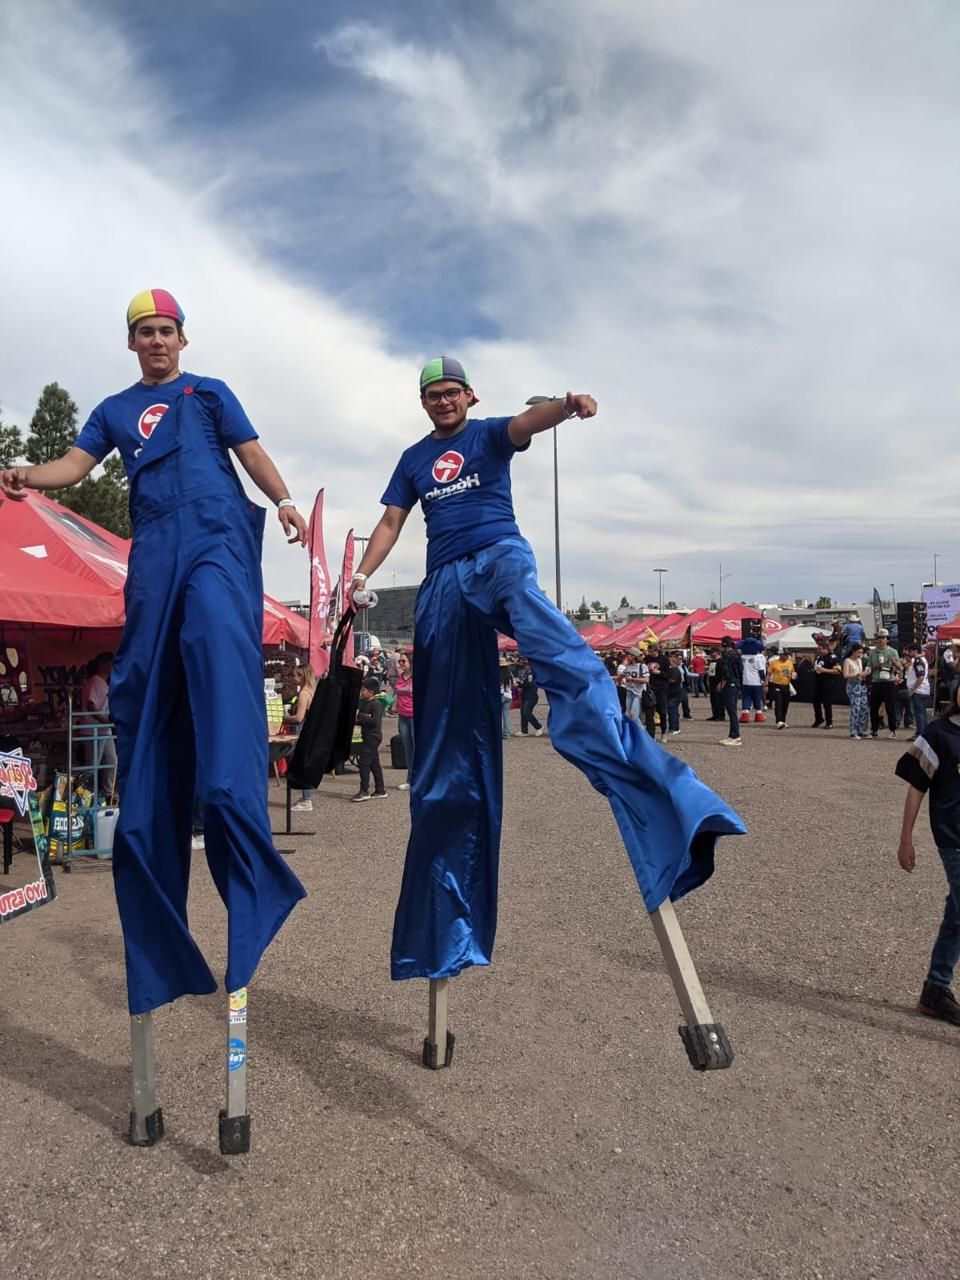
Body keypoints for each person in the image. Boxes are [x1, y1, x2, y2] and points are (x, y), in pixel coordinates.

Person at [349, 356, 745, 983]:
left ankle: (607, 739)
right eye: (432, 396)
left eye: (451, 393)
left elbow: (525, 424)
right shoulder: (413, 458)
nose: (442, 402)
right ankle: (448, 892)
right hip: (445, 579)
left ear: (469, 396)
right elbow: (392, 521)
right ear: (423, 404)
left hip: (498, 555)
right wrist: (364, 573)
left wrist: (566, 406)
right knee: (447, 730)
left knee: (554, 643)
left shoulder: (486, 434)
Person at [0, 288, 307, 1015]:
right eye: (145, 332)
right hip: (154, 547)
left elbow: (252, 451)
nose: (157, 341)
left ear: (182, 339)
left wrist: (286, 499)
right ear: (132, 343)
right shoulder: (112, 409)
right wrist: (23, 475)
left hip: (215, 536)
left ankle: (228, 777)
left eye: (167, 330)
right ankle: (165, 789)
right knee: (143, 676)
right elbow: (74, 466)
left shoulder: (208, 394)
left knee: (209, 631)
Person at [894, 694, 960, 1027]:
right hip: (955, 839)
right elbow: (916, 787)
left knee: (957, 917)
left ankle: (935, 990)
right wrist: (906, 838)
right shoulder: (939, 734)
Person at [80, 651, 117, 799]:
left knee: (111, 761)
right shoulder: (95, 682)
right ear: (103, 664)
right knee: (92, 766)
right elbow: (91, 705)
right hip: (93, 730)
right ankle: (83, 795)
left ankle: (108, 793)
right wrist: (104, 721)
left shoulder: (102, 683)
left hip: (103, 730)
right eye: (110, 663)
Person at [285, 664, 317, 811]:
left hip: (303, 729)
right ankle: (306, 796)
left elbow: (299, 718)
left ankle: (306, 799)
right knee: (308, 763)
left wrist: (285, 717)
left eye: (296, 675)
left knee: (302, 762)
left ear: (302, 676)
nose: (293, 678)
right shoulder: (314, 690)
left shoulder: (304, 693)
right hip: (312, 728)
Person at [354, 677, 387, 801]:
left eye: (363, 690)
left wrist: (361, 715)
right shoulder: (365, 704)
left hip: (373, 737)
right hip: (367, 735)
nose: (361, 693)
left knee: (364, 763)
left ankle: (364, 790)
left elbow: (374, 721)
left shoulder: (376, 704)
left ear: (371, 692)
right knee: (374, 763)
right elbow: (363, 721)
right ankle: (380, 789)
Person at [866, 629, 903, 740]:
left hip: (888, 681)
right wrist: (876, 665)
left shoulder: (893, 651)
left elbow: (900, 667)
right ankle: (874, 730)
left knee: (890, 707)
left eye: (883, 638)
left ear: (887, 639)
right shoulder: (873, 652)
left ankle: (892, 730)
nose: (881, 640)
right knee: (874, 707)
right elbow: (868, 667)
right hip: (876, 681)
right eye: (879, 638)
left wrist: (893, 661)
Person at [393, 651, 414, 789]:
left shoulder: (417, 678)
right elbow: (398, 695)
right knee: (408, 748)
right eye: (400, 661)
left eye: (403, 661)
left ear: (411, 663)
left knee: (418, 748)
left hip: (414, 716)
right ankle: (410, 779)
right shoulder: (400, 677)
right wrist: (394, 706)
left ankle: (420, 779)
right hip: (402, 716)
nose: (400, 663)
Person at [717, 637, 743, 746]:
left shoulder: (726, 656)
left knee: (731, 711)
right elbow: (741, 670)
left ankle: (736, 735)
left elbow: (726, 672)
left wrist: (722, 684)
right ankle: (732, 735)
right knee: (732, 710)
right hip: (736, 683)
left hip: (729, 684)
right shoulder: (737, 654)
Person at [903, 644, 930, 740]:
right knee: (922, 712)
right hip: (922, 689)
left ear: (915, 651)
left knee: (919, 713)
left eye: (910, 651)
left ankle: (920, 733)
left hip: (919, 690)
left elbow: (921, 676)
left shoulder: (918, 661)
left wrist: (912, 689)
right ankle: (924, 732)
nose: (909, 653)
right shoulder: (920, 660)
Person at [842, 643, 869, 740]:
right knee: (855, 708)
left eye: (861, 652)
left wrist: (864, 674)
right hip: (852, 686)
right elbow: (845, 675)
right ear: (853, 651)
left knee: (864, 708)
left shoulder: (859, 660)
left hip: (861, 685)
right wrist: (857, 674)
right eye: (858, 652)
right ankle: (853, 731)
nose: (860, 654)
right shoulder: (847, 661)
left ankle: (861, 729)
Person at [766, 648, 795, 729]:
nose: (787, 656)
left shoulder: (789, 662)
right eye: (785, 655)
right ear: (780, 655)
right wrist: (766, 684)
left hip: (786, 685)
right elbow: (768, 674)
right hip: (777, 685)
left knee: (785, 704)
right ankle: (778, 721)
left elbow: (793, 671)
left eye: (787, 655)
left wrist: (794, 676)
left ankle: (783, 720)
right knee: (779, 703)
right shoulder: (774, 663)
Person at [739, 643, 767, 724]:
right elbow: (761, 671)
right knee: (757, 698)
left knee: (746, 698)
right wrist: (764, 679)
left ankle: (745, 714)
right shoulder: (758, 658)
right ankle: (758, 714)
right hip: (756, 682)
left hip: (745, 681)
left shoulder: (742, 657)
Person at [516, 658, 544, 737]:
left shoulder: (533, 674)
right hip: (524, 695)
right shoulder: (525, 674)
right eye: (524, 665)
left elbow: (529, 684)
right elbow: (524, 683)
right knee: (522, 713)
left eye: (526, 665)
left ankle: (539, 726)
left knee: (527, 712)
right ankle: (524, 730)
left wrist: (520, 685)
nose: (525, 666)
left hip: (531, 696)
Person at [665, 651, 684, 735]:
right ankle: (675, 727)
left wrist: (665, 681)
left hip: (675, 694)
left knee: (672, 711)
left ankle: (673, 728)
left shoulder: (675, 670)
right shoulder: (671, 669)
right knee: (673, 711)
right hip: (672, 693)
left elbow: (672, 680)